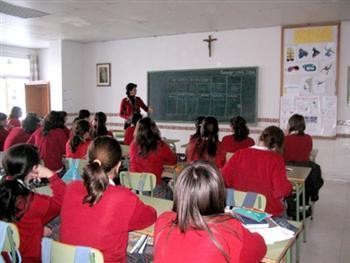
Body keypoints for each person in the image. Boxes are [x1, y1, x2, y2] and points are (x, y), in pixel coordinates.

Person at [60, 136, 157, 262]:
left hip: (71, 259)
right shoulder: (123, 197)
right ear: (118, 166)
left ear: (88, 160)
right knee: (151, 256)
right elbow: (150, 217)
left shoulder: (71, 188)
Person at [154, 161, 267, 263]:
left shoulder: (163, 221)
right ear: (219, 193)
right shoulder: (230, 229)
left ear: (179, 192)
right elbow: (260, 249)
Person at [0, 144, 65, 262]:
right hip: (29, 257)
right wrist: (51, 175)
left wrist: (38, 230)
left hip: (7, 255)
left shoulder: (4, 190)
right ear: (35, 168)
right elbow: (62, 200)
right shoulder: (31, 202)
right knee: (65, 221)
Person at [221, 126, 292, 216]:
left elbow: (224, 179)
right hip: (267, 212)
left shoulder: (239, 154)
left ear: (261, 138)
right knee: (285, 208)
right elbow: (281, 191)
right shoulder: (276, 159)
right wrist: (289, 186)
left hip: (240, 210)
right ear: (277, 146)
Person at [129, 117, 176, 198]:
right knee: (170, 193)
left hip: (136, 188)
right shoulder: (160, 145)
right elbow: (173, 161)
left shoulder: (133, 144)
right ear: (154, 129)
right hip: (154, 188)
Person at [284, 114, 323, 205]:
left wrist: (286, 135)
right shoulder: (308, 138)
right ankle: (309, 197)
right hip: (303, 173)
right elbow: (307, 153)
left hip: (288, 173)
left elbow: (282, 155)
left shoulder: (286, 139)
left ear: (291, 125)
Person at [27, 111, 68, 176]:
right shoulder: (59, 132)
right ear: (60, 121)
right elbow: (66, 150)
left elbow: (28, 146)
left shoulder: (38, 131)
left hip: (40, 168)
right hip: (54, 169)